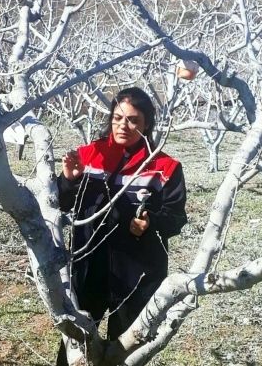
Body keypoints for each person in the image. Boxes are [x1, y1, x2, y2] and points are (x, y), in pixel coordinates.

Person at [56, 87, 187, 364]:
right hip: (89, 267)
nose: (122, 126)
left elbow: (176, 217)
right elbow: (61, 203)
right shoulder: (91, 155)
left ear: (147, 123)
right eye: (117, 118)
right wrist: (69, 178)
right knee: (75, 348)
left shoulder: (164, 167)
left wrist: (150, 223)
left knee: (125, 352)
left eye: (132, 120)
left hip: (135, 273)